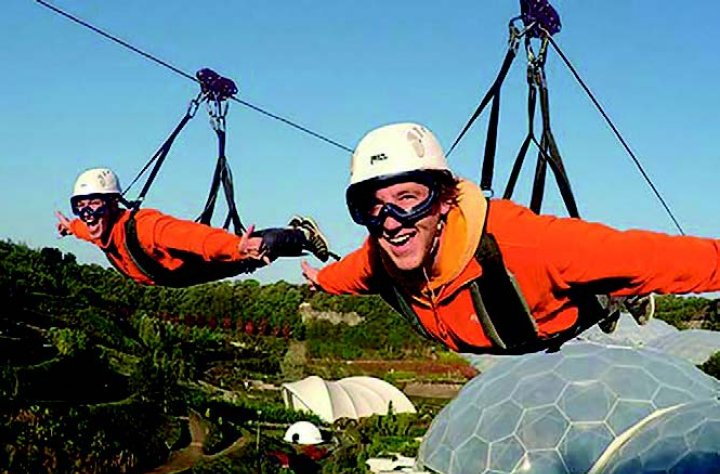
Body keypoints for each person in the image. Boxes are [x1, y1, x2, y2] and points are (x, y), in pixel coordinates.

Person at [301, 122, 720, 355]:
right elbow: (346, 275)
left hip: (558, 313)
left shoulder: (531, 246)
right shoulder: (379, 258)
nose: (390, 221)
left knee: (613, 273)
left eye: (408, 199)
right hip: (508, 326)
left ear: (444, 199)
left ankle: (617, 296)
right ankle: (616, 294)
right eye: (371, 207)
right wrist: (320, 278)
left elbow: (666, 259)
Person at [56, 167, 329, 287]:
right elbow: (86, 230)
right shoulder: (100, 231)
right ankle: (289, 235)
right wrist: (70, 227)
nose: (88, 214)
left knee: (251, 254)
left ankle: (301, 233)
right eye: (80, 206)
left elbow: (195, 237)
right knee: (250, 256)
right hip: (178, 278)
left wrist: (235, 246)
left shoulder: (144, 227)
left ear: (114, 204)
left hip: (193, 263)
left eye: (95, 205)